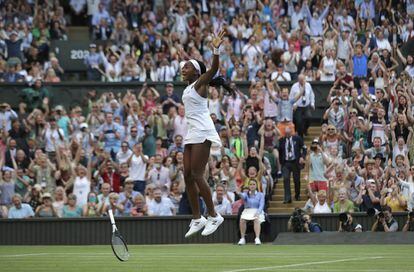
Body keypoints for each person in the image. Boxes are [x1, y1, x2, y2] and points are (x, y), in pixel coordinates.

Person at [180, 29, 227, 238]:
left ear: (197, 73)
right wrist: (183, 54)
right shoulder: (189, 86)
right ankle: (197, 218)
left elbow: (214, 68)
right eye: (183, 66)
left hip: (204, 132)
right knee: (187, 176)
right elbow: (189, 64)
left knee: (198, 174)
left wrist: (216, 49)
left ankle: (214, 215)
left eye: (187, 67)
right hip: (192, 132)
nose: (183, 68)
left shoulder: (200, 84)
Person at [278, 127, 306, 203]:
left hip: (295, 162)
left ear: (291, 132)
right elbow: (279, 151)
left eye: (288, 133)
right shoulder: (281, 140)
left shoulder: (297, 138)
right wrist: (281, 162)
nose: (287, 135)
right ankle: (287, 198)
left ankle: (297, 195)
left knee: (296, 180)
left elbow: (304, 148)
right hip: (286, 162)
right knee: (286, 178)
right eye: (286, 133)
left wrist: (302, 157)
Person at [237, 179, 265, 245]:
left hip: (257, 210)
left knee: (256, 219)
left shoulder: (260, 194)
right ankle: (242, 238)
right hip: (247, 211)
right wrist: (239, 193)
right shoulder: (246, 194)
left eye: (253, 184)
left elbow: (261, 204)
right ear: (249, 186)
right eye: (250, 184)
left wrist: (258, 212)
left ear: (256, 186)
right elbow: (243, 197)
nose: (252, 186)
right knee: (242, 220)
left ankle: (257, 238)